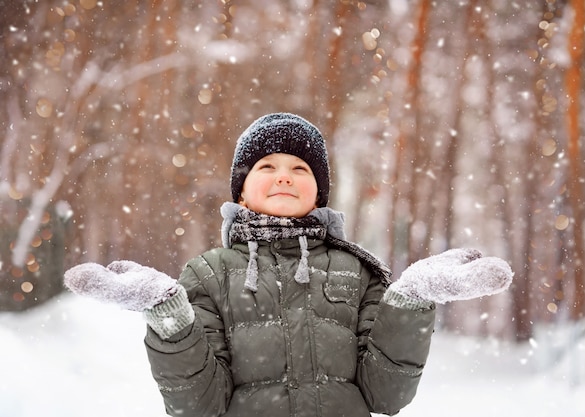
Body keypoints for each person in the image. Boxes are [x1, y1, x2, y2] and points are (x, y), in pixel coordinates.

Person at [64, 113, 513, 417]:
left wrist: (411, 299)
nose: (284, 175)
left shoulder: (356, 272)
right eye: (267, 165)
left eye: (300, 167)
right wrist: (168, 316)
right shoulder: (208, 273)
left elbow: (386, 394)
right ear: (241, 191)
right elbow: (200, 405)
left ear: (319, 192)